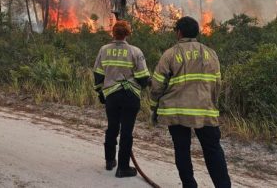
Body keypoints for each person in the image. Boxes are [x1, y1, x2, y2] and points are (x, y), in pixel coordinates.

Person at [150, 16, 231, 188]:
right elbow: (217, 83)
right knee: (213, 150)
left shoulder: (170, 54)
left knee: (182, 149)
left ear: (179, 33)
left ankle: (189, 185)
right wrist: (211, 103)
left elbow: (157, 84)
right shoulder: (210, 54)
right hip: (205, 110)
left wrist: (154, 104)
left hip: (177, 111)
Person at [93, 20, 151, 178]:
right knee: (126, 131)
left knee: (112, 127)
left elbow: (98, 75)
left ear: (113, 32)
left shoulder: (104, 50)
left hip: (111, 95)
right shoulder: (135, 51)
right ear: (127, 33)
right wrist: (145, 85)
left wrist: (101, 94)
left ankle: (110, 161)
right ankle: (123, 167)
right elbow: (143, 77)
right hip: (130, 96)